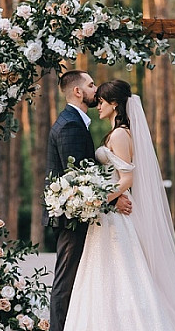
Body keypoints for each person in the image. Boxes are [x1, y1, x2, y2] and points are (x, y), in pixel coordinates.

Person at [63, 79, 175, 331]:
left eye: (101, 102)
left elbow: (127, 179)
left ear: (115, 104)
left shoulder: (120, 134)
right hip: (107, 214)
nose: (98, 106)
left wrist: (98, 199)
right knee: (105, 276)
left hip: (114, 214)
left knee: (121, 276)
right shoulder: (116, 132)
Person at [44, 70, 133, 331]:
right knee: (67, 281)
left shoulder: (78, 122)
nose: (97, 90)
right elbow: (78, 177)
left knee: (82, 279)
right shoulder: (71, 124)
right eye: (92, 85)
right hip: (72, 216)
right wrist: (112, 201)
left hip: (83, 213)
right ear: (78, 91)